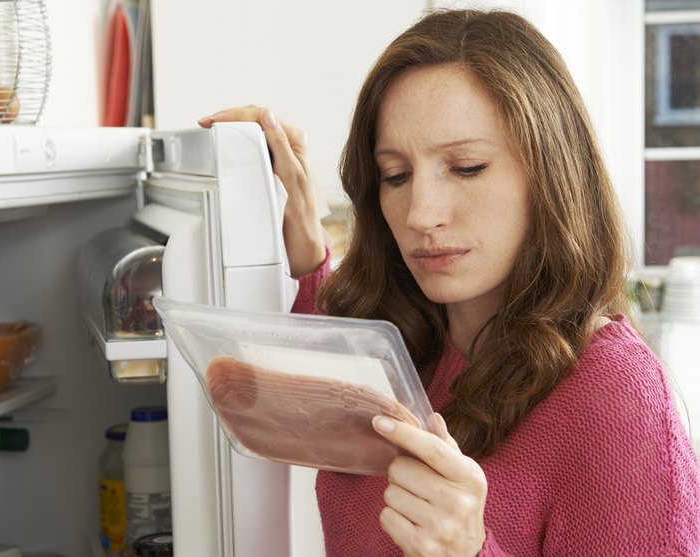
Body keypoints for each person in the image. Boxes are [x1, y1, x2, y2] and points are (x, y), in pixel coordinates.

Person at [199, 8, 700, 557]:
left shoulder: (615, 396)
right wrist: (302, 240)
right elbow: (294, 386)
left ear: (552, 174)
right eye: (396, 175)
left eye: (466, 167)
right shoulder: (400, 346)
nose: (420, 214)